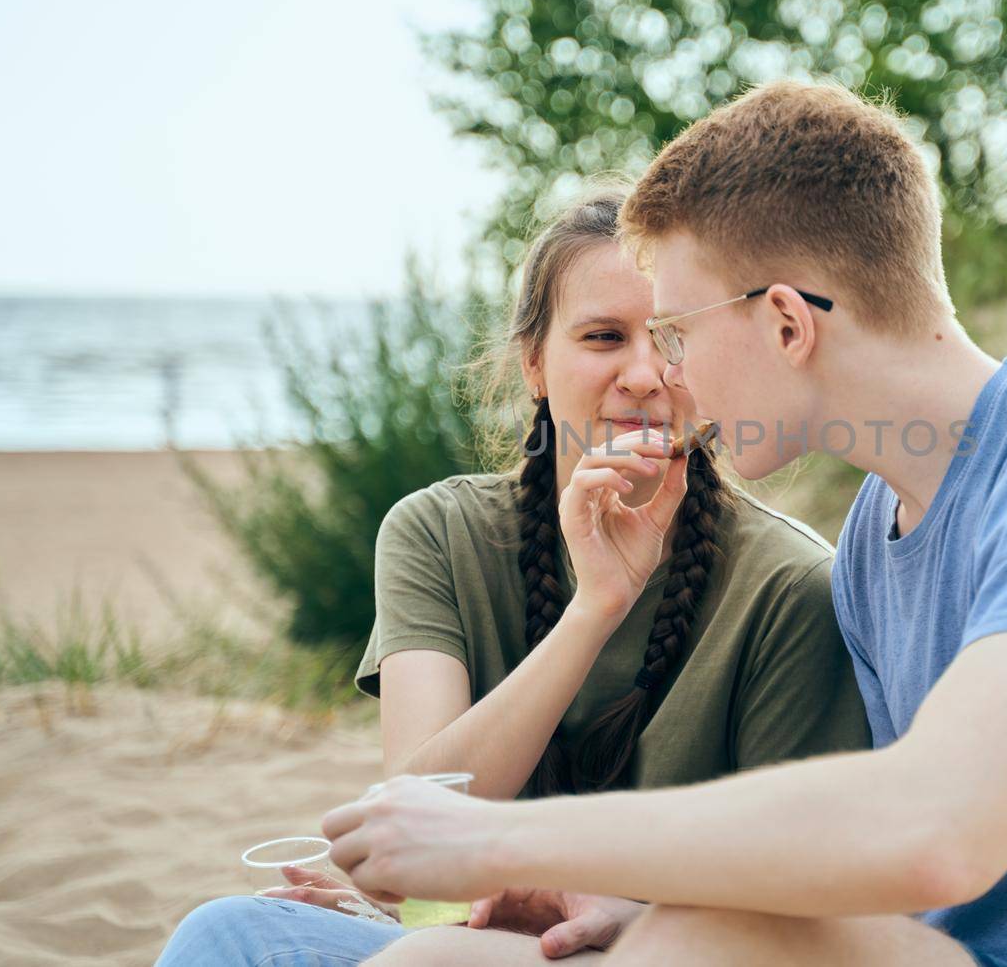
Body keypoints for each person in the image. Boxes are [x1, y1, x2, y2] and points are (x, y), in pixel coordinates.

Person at [320, 82, 1007, 966]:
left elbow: (932, 827)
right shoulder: (875, 534)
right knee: (437, 954)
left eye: (677, 330)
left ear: (784, 322)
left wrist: (495, 840)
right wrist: (621, 901)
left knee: (695, 942)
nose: (662, 375)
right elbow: (893, 887)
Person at [153, 185, 871, 966]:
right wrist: (594, 608)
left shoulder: (792, 585)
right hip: (464, 943)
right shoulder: (436, 533)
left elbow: (801, 905)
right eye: (603, 336)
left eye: (671, 338)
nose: (642, 373)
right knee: (226, 933)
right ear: (534, 362)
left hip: (653, 953)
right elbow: (420, 832)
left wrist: (621, 916)